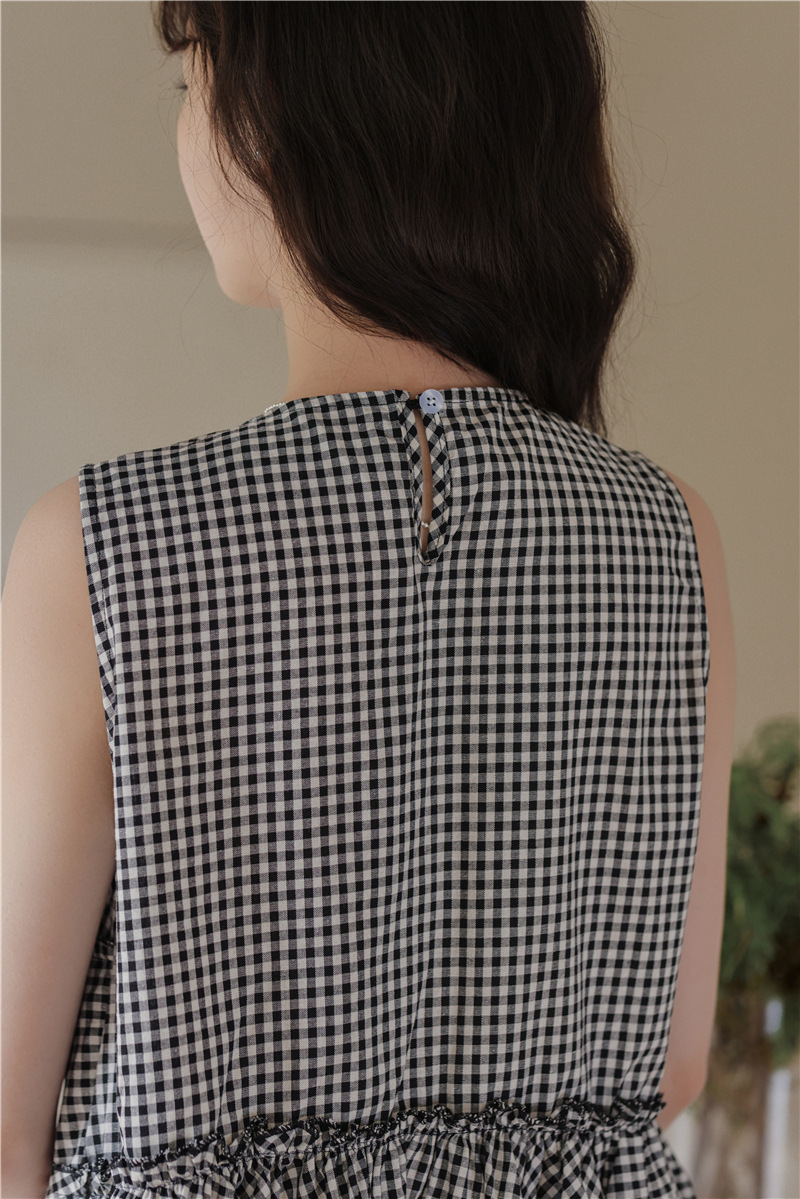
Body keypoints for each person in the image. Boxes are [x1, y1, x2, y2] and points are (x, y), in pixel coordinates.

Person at [1, 4, 736, 1198]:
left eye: (192, 85)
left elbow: (5, 1120)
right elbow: (667, 1064)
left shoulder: (103, 546)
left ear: (277, 120)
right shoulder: (668, 535)